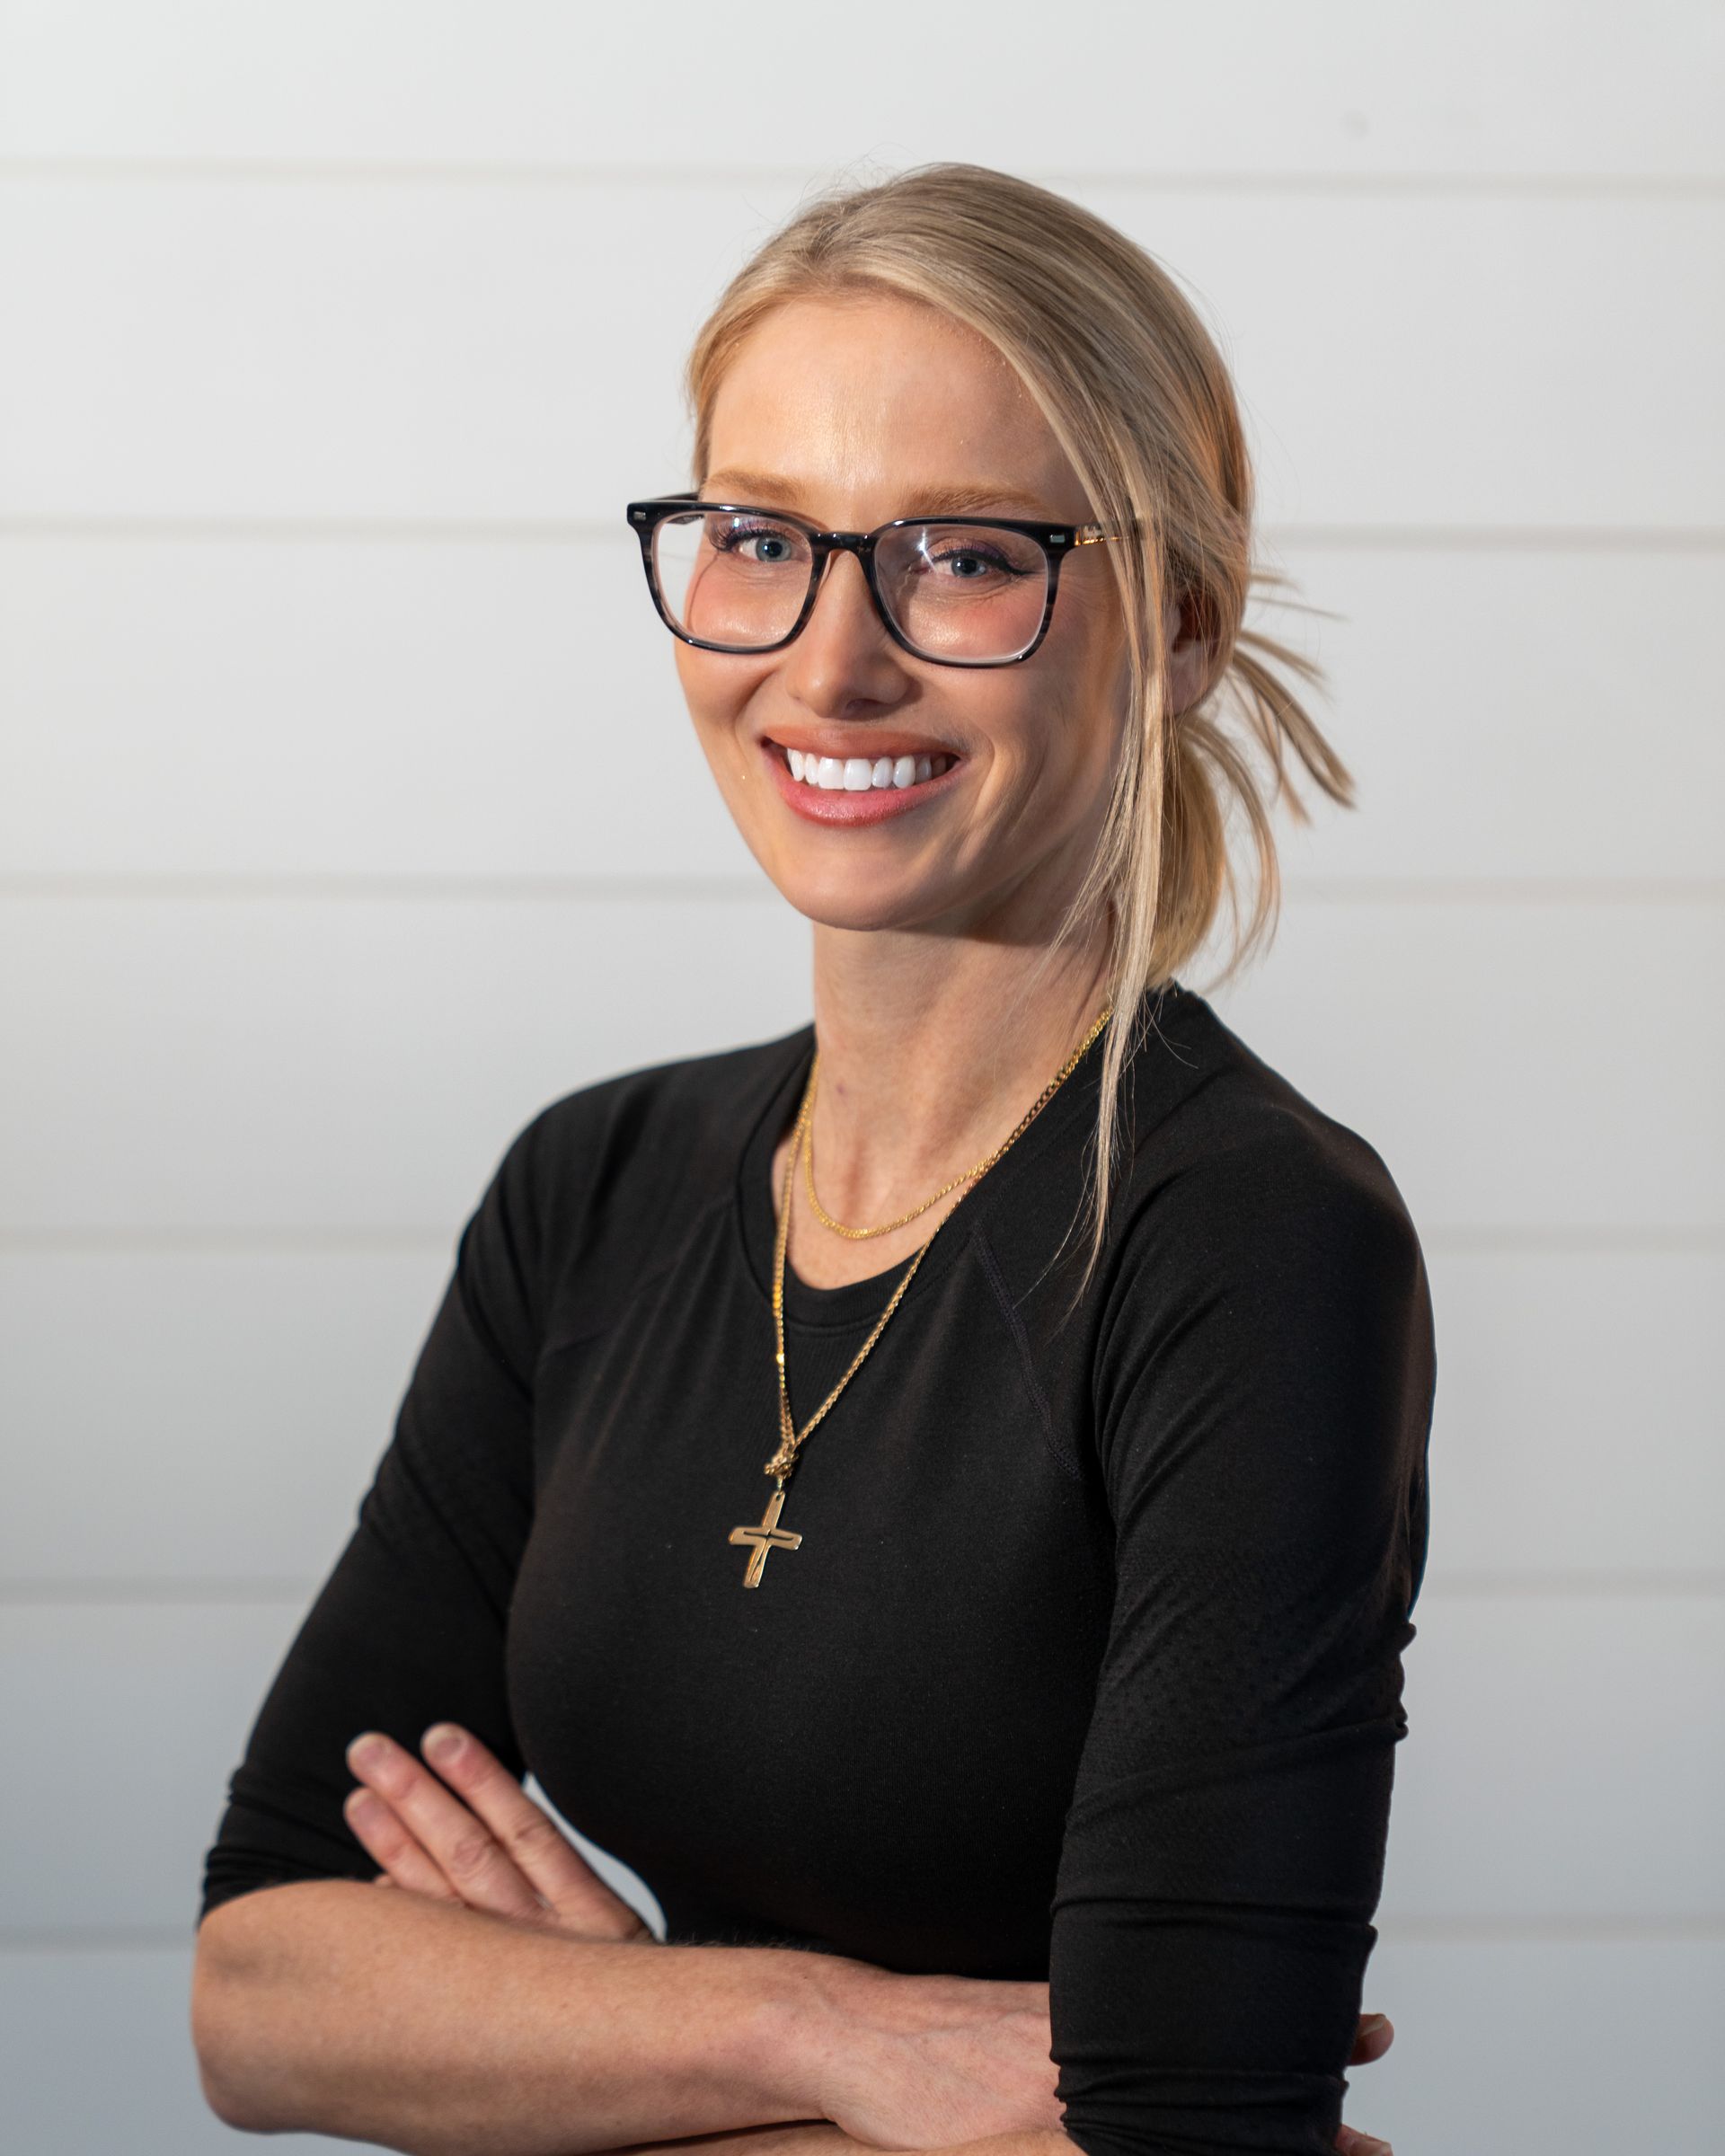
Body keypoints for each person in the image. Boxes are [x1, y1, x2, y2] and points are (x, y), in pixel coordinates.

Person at [190, 163, 1433, 2156]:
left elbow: (1187, 2134)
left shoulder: (1250, 1238)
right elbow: (261, 1994)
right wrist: (811, 2035)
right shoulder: (596, 1186)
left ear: (1182, 629)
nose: (830, 662)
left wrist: (559, 2056)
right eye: (761, 539)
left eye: (965, 555)